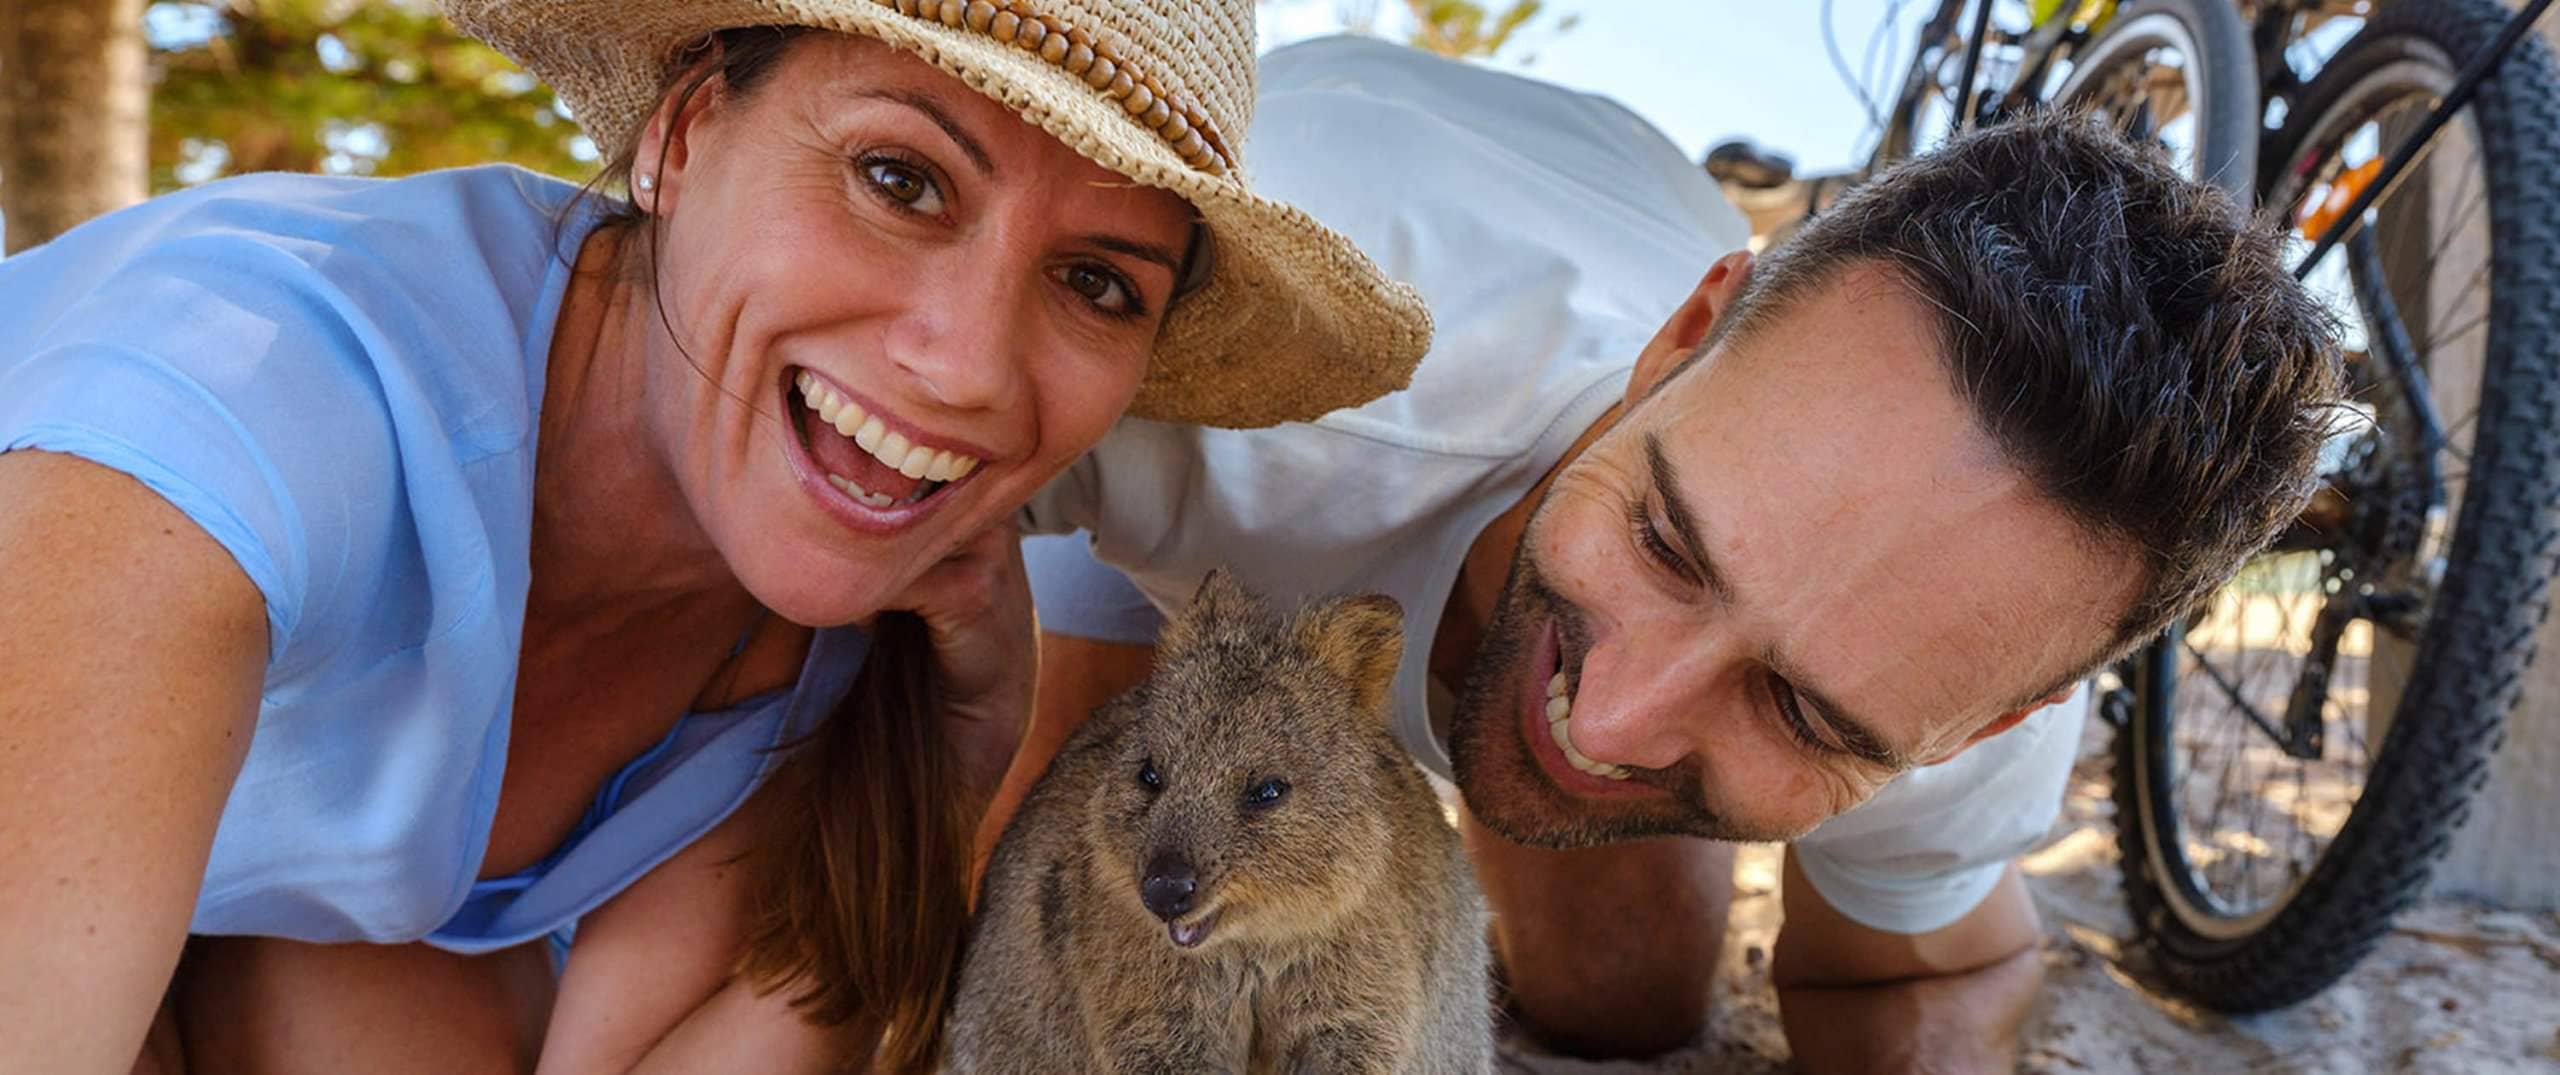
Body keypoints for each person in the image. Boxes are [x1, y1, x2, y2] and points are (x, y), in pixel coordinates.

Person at [0, 1, 1431, 1071]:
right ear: (683, 136)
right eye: (901, 179)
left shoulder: (812, 596)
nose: (968, 365)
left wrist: (955, 754)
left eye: (1096, 283)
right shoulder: (235, 404)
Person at [1002, 35, 2344, 1071]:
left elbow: (1930, 975)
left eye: (1806, 706)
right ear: (1683, 340)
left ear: (1993, 719)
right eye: (1667, 540)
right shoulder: (1217, 365)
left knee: (1622, 1002)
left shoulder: (1979, 667)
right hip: (1257, 351)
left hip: (1580, 265)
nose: (1619, 716)